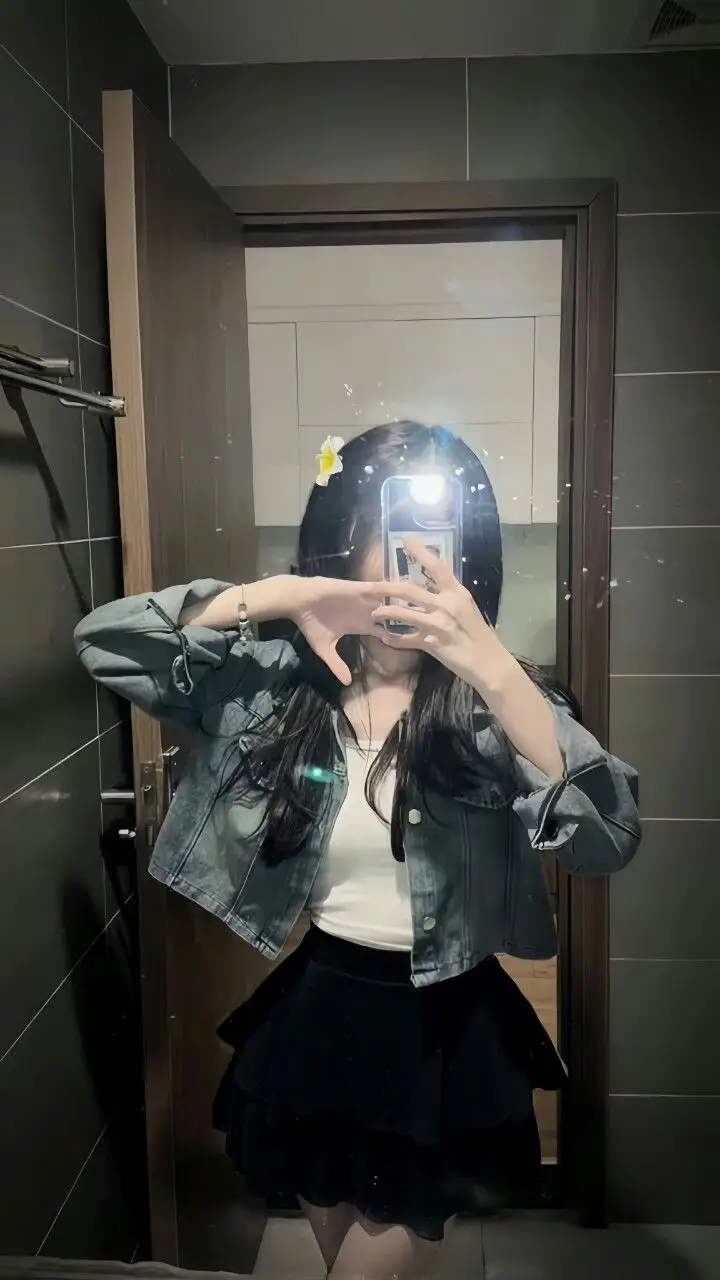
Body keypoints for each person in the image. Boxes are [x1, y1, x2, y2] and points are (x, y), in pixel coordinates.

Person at [75, 422, 641, 1280]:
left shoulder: (492, 707)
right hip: (324, 1013)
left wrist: (491, 666)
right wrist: (274, 596)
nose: (412, 573)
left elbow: (607, 838)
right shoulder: (277, 685)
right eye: (390, 547)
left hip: (443, 1032)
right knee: (342, 1248)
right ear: (346, 553)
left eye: (435, 552)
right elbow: (106, 643)